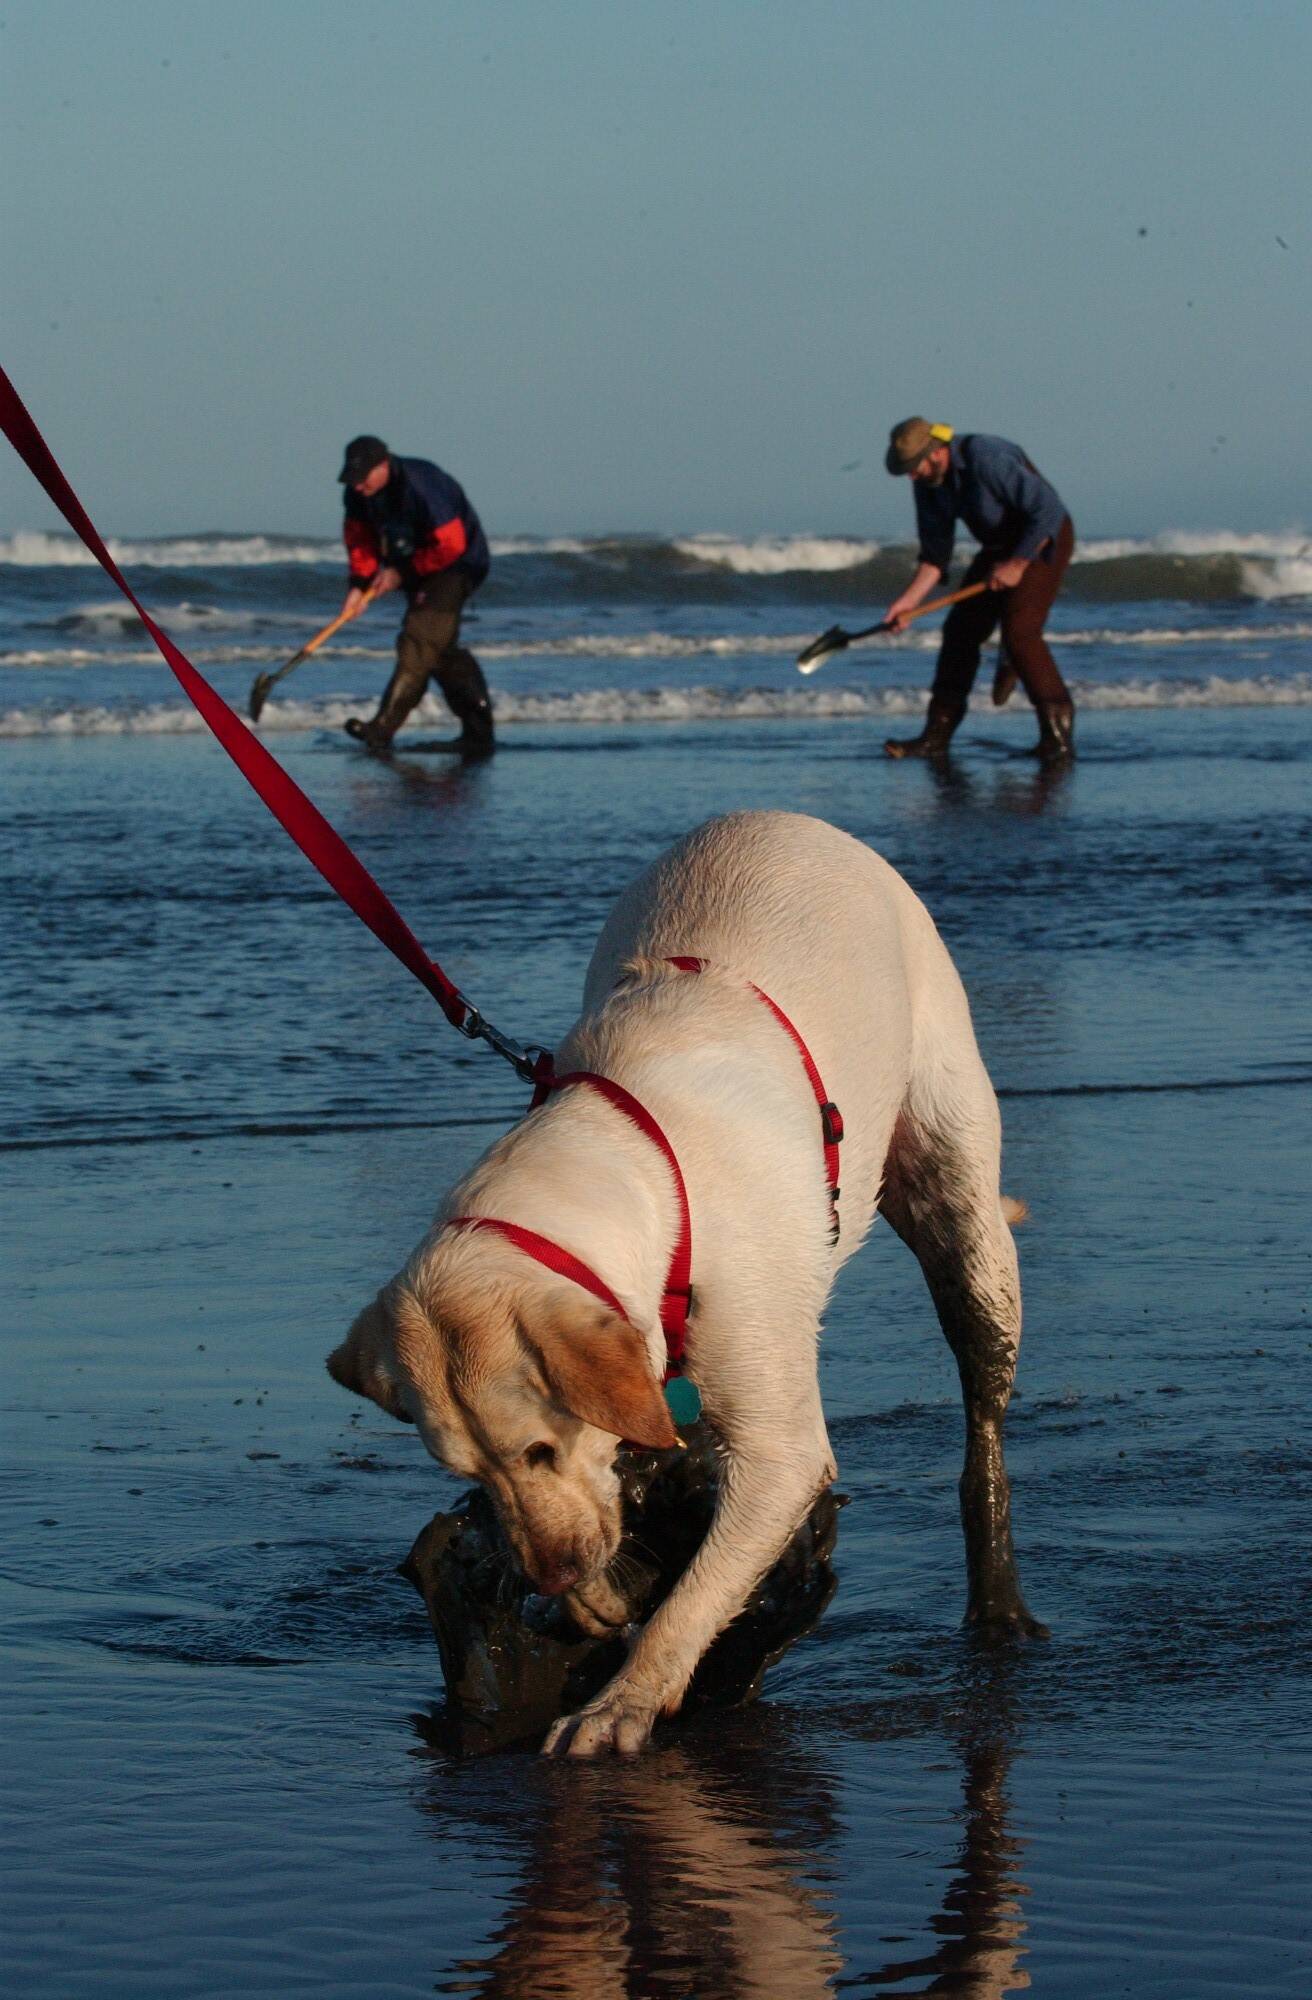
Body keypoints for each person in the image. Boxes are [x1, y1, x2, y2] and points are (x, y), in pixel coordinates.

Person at [880, 418, 1076, 763]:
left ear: (938, 452)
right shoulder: (928, 483)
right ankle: (935, 738)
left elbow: (1048, 510)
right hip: (999, 546)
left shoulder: (987, 456)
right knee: (959, 631)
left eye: (914, 467)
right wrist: (907, 603)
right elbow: (935, 557)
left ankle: (1057, 740)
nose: (912, 476)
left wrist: (1018, 563)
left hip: (1045, 538)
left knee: (1020, 631)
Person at [338, 435, 495, 758]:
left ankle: (381, 729)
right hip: (416, 567)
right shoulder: (357, 494)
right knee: (439, 652)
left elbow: (451, 545)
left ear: (383, 466)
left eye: (363, 478)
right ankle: (479, 735)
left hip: (457, 565)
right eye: (352, 480)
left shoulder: (422, 484)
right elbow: (361, 540)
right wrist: (359, 584)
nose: (357, 487)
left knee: (419, 639)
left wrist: (401, 573)